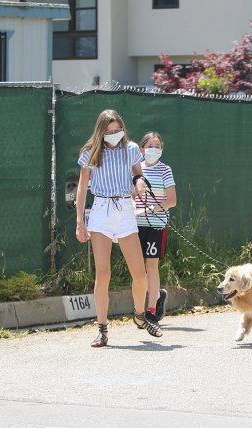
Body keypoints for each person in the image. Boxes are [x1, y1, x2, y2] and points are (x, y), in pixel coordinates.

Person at [75, 109, 163, 347]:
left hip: (125, 209)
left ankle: (139, 315)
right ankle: (102, 329)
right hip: (101, 210)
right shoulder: (90, 152)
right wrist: (80, 222)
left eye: (117, 130)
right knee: (103, 273)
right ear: (101, 131)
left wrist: (140, 181)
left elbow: (137, 173)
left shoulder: (132, 149)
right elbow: (82, 188)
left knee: (140, 274)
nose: (114, 135)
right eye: (109, 131)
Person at [133, 131, 177, 322]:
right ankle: (141, 307)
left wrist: (150, 210)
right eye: (150, 146)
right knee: (137, 270)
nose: (153, 149)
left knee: (151, 266)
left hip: (157, 225)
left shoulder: (165, 170)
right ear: (142, 148)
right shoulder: (135, 170)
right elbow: (130, 195)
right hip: (134, 227)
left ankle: (151, 310)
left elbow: (172, 200)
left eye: (157, 146)